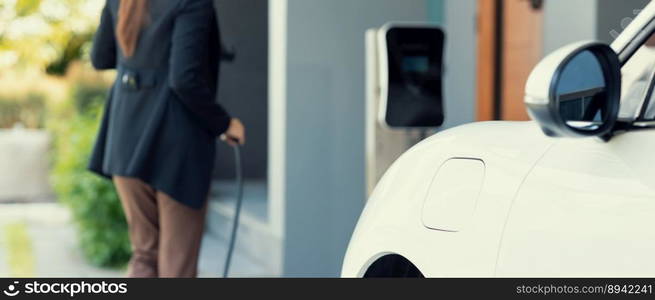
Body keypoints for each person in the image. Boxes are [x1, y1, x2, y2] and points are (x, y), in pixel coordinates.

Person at [88, 0, 245, 278]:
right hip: (176, 145)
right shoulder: (193, 3)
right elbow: (184, 80)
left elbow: (101, 58)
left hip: (125, 137)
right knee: (177, 266)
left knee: (144, 256)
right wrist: (225, 123)